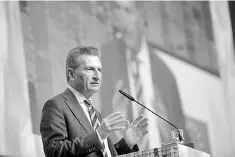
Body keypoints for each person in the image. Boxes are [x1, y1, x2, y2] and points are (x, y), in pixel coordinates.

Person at [100, 1, 191, 149]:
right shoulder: (109, 59)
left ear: (142, 17)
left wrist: (183, 149)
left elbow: (179, 127)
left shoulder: (164, 73)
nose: (122, 19)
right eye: (117, 10)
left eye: (127, 11)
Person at [40, 46, 149, 157]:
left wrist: (126, 144)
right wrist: (98, 135)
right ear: (71, 74)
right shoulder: (56, 106)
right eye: (90, 69)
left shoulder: (95, 113)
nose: (97, 76)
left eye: (99, 70)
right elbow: (54, 152)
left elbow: (102, 154)